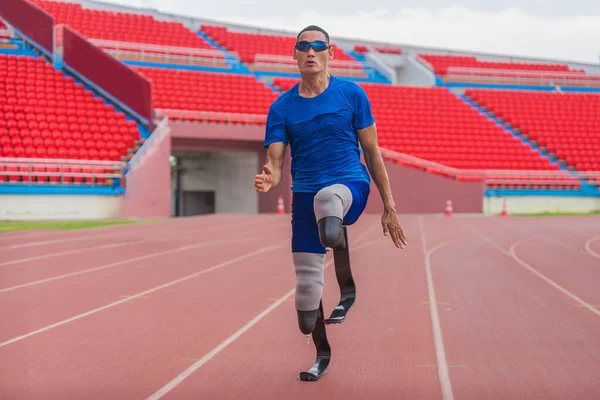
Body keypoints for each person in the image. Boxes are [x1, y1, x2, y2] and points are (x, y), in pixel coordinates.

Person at [254, 25, 407, 380]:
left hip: (349, 185)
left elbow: (372, 151)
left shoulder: (352, 94)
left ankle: (346, 280)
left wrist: (389, 206)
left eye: (318, 46)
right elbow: (276, 164)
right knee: (306, 299)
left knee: (328, 201)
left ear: (330, 53)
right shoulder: (281, 107)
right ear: (294, 55)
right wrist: (269, 179)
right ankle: (321, 353)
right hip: (305, 197)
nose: (310, 51)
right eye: (303, 46)